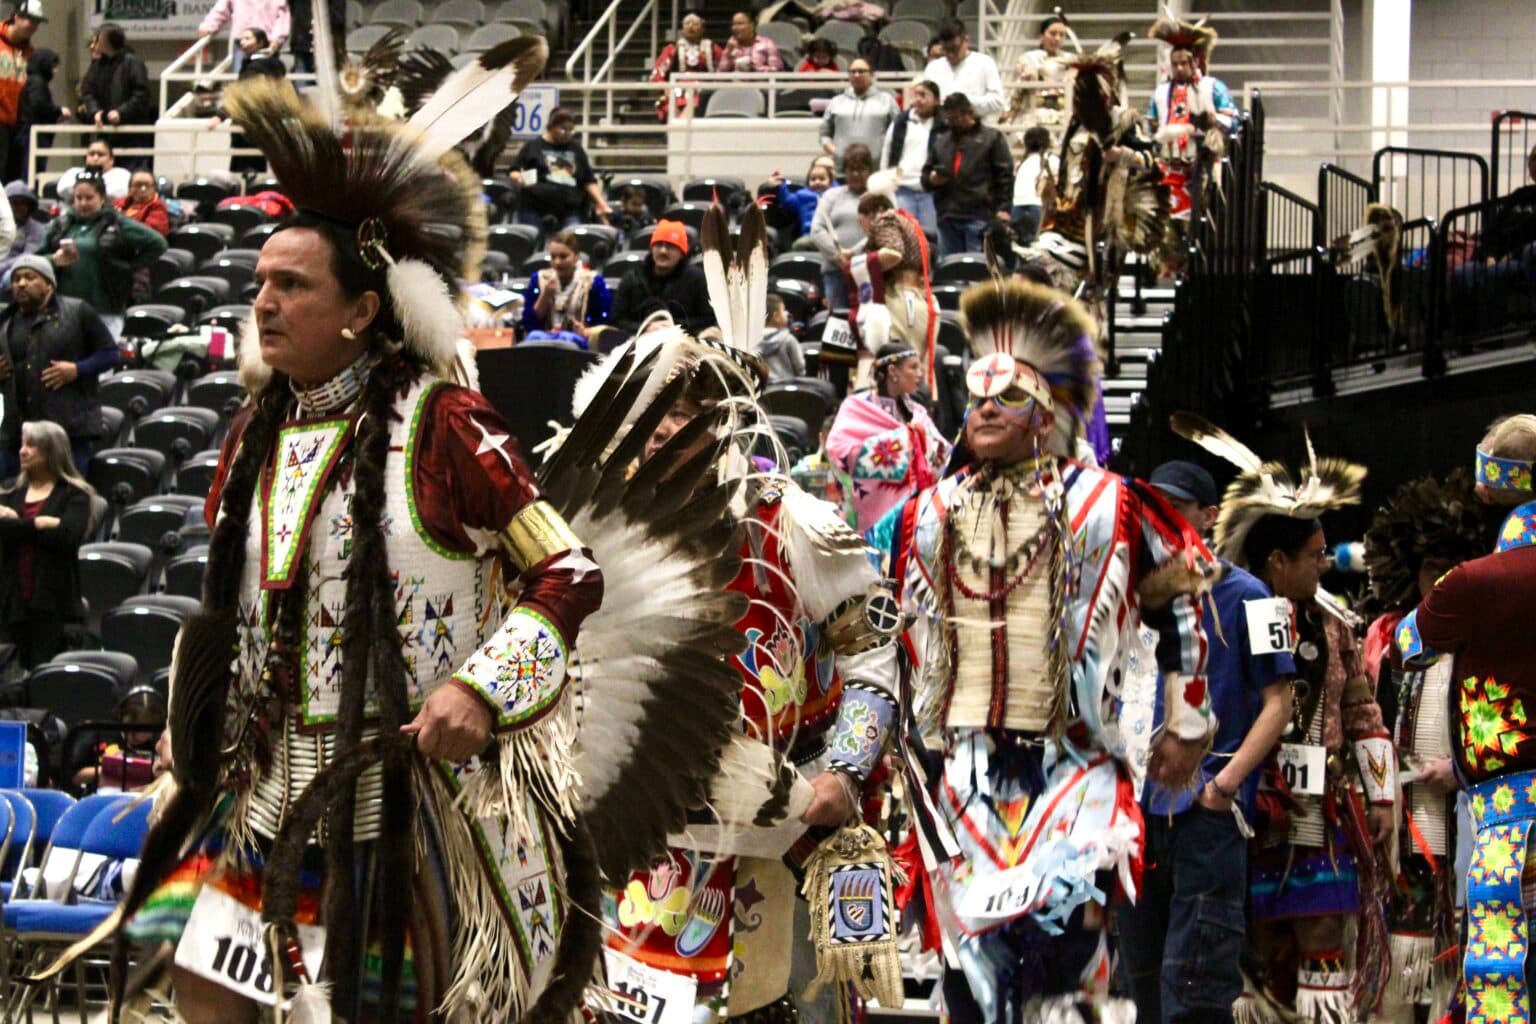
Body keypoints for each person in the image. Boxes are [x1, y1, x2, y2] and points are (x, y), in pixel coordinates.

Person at [599, 203, 900, 1024]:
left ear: (723, 424)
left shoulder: (792, 522)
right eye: (652, 413)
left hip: (783, 824)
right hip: (644, 839)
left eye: (682, 414)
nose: (662, 431)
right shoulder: (605, 535)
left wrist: (842, 770)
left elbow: (874, 661)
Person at [890, 279, 1213, 1023]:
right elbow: (899, 632)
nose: (982, 414)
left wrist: (1184, 716)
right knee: (971, 975)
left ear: (1045, 417)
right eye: (974, 402)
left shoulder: (1107, 503)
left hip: (1075, 770)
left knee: (1065, 972)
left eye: (1004, 401)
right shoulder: (931, 515)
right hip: (965, 775)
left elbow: (1190, 586)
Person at [1171, 415, 1396, 1024]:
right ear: (1277, 560)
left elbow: (1363, 709)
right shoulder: (1226, 618)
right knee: (1254, 956)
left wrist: (1381, 797)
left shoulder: (1337, 630)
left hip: (1320, 811)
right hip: (1250, 807)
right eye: (1315, 555)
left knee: (1322, 940)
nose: (1325, 565)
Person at [1119, 459, 1295, 1024]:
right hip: (1136, 820)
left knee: (1196, 990)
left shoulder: (1253, 594)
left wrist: (1223, 787)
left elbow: (1280, 702)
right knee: (1135, 986)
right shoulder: (1126, 596)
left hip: (1207, 816)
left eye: (1176, 508)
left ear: (1208, 516)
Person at [1396, 414, 1536, 1024]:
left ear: (1491, 487)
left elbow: (1408, 644)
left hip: (1506, 813)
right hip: (1493, 793)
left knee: (1502, 985)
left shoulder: (1471, 585)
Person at [1361, 470, 1498, 1023]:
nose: (1439, 581)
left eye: (1450, 570)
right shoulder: (1388, 646)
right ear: (1411, 574)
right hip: (1402, 830)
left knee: (1455, 959)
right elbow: (1370, 724)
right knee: (1400, 956)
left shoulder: (1485, 644)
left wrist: (1461, 768)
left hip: (1468, 822)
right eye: (1429, 570)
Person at [0, 254, 120, 477]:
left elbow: (111, 354)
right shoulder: (6, 321)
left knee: (68, 500)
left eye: (30, 277)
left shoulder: (77, 311)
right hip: (17, 433)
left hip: (68, 430)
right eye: (16, 279)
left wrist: (77, 369)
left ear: (48, 283)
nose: (21, 284)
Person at [825, 342, 949, 533]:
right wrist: (904, 444)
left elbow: (942, 454)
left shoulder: (917, 412)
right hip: (870, 522)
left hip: (915, 518)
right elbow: (838, 449)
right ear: (893, 371)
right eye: (913, 367)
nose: (920, 374)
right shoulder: (856, 406)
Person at [0, 419, 94, 669]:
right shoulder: (9, 491)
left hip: (53, 606)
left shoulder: (74, 494)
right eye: (22, 444)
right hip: (12, 606)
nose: (22, 451)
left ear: (51, 451)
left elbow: (68, 536)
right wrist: (38, 524)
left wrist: (16, 524)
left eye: (31, 445)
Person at [1145, 15, 1236, 237]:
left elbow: (1234, 121)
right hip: (1168, 167)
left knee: (1198, 229)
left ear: (1195, 62)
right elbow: (1151, 126)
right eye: (1174, 64)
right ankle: (1168, 269)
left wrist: (1214, 120)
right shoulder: (1160, 93)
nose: (1178, 68)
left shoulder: (1213, 87)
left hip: (1203, 167)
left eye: (1183, 63)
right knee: (1165, 230)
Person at [44, 175, 168, 337]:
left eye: (89, 198)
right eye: (78, 198)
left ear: (102, 198)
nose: (83, 203)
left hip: (105, 310)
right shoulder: (61, 224)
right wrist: (53, 260)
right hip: (64, 310)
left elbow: (158, 243)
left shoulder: (116, 223)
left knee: (103, 359)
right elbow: (35, 259)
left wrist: (129, 267)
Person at [843, 192, 937, 389]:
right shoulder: (910, 223)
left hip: (899, 301)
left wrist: (859, 264)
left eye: (863, 224)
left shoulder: (886, 219)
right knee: (915, 372)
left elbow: (893, 252)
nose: (867, 231)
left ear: (874, 213)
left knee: (893, 371)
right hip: (921, 302)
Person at [923, 92, 1013, 257]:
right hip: (947, 215)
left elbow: (1004, 176)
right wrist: (933, 179)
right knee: (950, 268)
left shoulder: (992, 138)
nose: (952, 123)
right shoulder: (941, 141)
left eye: (956, 118)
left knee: (977, 267)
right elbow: (926, 175)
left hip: (980, 214)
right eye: (949, 119)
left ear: (969, 113)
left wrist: (1003, 208)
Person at [510, 106, 611, 230]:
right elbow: (514, 170)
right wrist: (518, 178)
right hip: (535, 207)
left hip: (569, 210)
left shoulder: (576, 149)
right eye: (563, 129)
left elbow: (588, 180)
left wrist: (601, 202)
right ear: (552, 126)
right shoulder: (533, 146)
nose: (567, 133)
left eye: (571, 130)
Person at [611, 217, 717, 335]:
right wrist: (645, 327)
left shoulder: (697, 279)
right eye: (658, 245)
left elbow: (708, 319)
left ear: (682, 253)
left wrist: (675, 326)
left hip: (684, 341)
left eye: (670, 246)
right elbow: (617, 320)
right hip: (638, 340)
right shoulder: (632, 278)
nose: (663, 251)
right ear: (651, 249)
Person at [77, 23, 155, 166]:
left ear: (106, 41)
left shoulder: (133, 63)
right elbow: (88, 92)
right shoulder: (97, 65)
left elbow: (141, 94)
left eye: (97, 39)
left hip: (132, 135)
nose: (94, 44)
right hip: (106, 133)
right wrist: (95, 112)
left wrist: (121, 113)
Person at [520, 229, 612, 346]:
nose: (557, 262)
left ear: (576, 257)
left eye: (563, 257)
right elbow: (528, 324)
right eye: (553, 257)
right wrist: (545, 296)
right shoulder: (539, 279)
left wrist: (585, 330)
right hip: (545, 336)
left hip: (579, 338)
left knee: (567, 338)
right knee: (534, 336)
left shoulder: (592, 281)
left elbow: (603, 321)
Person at [810, 141, 873, 308]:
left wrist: (853, 253)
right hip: (835, 272)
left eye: (861, 169)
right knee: (838, 326)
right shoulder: (831, 195)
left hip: (868, 272)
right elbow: (817, 229)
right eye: (851, 169)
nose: (856, 174)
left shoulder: (877, 197)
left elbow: (879, 231)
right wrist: (838, 255)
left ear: (870, 171)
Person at [70, 685, 166, 794]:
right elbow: (74, 777)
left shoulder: (160, 742)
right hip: (102, 799)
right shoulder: (100, 735)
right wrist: (115, 770)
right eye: (140, 727)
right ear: (125, 719)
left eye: (150, 728)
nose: (148, 735)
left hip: (145, 800)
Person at [881, 78, 942, 235]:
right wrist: (886, 182)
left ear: (936, 100)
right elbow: (887, 152)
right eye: (916, 95)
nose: (918, 100)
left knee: (931, 238)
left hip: (931, 191)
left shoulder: (944, 125)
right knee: (905, 236)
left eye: (924, 95)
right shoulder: (900, 122)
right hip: (903, 189)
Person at [1005, 12, 1074, 144]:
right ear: (1041, 36)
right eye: (1053, 34)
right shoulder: (1028, 58)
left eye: (1062, 35)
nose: (1057, 38)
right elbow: (1017, 91)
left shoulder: (1071, 60)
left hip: (1063, 112)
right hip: (1033, 110)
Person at [820, 57, 899, 168]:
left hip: (877, 168)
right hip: (842, 168)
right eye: (853, 72)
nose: (856, 75)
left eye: (861, 71)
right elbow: (824, 134)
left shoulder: (887, 101)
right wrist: (835, 152)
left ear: (872, 75)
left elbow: (898, 133)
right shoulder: (836, 102)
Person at [922, 19, 1004, 122]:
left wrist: (965, 102)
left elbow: (997, 102)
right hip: (941, 130)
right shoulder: (932, 68)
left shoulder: (985, 63)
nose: (950, 54)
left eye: (954, 48)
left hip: (976, 129)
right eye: (946, 49)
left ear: (966, 41)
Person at [650, 10, 722, 121]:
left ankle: (680, 131)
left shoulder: (712, 48)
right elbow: (657, 74)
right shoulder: (672, 49)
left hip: (704, 91)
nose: (691, 27)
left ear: (702, 28)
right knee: (669, 106)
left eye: (695, 24)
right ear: (682, 28)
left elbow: (724, 70)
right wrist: (666, 87)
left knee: (694, 105)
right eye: (687, 23)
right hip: (678, 91)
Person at [0, 0, 41, 182]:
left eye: (36, 22)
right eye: (29, 20)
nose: (32, 26)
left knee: (13, 176)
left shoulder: (31, 53)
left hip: (17, 124)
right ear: (16, 16)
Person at [198, 0, 291, 72]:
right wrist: (209, 26)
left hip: (266, 43)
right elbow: (222, 8)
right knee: (240, 77)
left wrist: (277, 39)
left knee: (266, 80)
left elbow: (282, 16)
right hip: (242, 41)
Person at [19, 46, 64, 178]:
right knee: (31, 172)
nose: (55, 71)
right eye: (53, 66)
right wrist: (58, 111)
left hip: (31, 134)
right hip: (33, 136)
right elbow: (38, 105)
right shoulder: (37, 82)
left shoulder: (34, 82)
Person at [773, 155, 836, 246]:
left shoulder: (836, 194)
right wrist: (780, 184)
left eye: (822, 179)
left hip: (832, 235)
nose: (817, 182)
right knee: (799, 245)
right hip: (810, 235)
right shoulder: (802, 196)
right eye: (813, 179)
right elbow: (787, 200)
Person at [1011, 125, 1056, 245]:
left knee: (1019, 244)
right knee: (1038, 244)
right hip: (1038, 206)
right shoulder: (1051, 160)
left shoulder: (1021, 163)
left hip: (1017, 205)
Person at [56, 138, 132, 206]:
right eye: (91, 154)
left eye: (100, 155)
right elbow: (62, 189)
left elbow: (117, 195)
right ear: (86, 158)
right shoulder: (73, 172)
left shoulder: (122, 174)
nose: (95, 158)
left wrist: (82, 189)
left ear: (111, 160)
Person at [0, 180, 44, 282]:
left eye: (22, 203)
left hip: (15, 271)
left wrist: (2, 267)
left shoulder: (36, 228)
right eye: (14, 203)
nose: (18, 207)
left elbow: (28, 256)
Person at [718, 7, 783, 73]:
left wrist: (754, 67)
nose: (735, 28)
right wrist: (728, 52)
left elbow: (778, 70)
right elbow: (720, 74)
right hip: (737, 83)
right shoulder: (731, 47)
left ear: (752, 25)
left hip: (760, 83)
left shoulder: (767, 44)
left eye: (740, 24)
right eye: (733, 24)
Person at [756, 292, 804, 380]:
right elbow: (800, 369)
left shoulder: (753, 341)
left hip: (766, 390)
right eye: (783, 310)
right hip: (787, 388)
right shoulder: (788, 340)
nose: (786, 313)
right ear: (776, 316)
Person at [115, 169, 171, 237]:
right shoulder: (118, 203)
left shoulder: (158, 207)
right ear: (130, 188)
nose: (143, 189)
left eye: (147, 185)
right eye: (138, 185)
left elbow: (147, 234)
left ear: (154, 188)